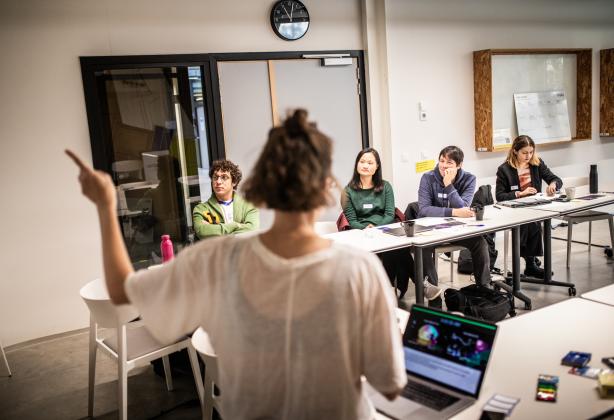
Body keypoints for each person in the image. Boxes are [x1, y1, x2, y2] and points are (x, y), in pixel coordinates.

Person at [66, 109, 405, 420]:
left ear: (261, 184)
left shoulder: (213, 260)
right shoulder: (360, 269)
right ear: (327, 186)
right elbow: (389, 385)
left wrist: (105, 206)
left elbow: (120, 291)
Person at [342, 148, 442, 300]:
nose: (365, 165)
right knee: (395, 249)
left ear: (377, 166)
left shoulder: (385, 187)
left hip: (383, 230)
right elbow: (352, 220)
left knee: (395, 247)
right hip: (362, 234)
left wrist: (376, 228)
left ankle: (390, 289)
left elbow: (389, 214)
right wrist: (366, 228)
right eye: (362, 162)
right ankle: (422, 285)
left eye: (370, 162)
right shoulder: (347, 191)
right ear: (357, 164)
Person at [417, 145, 492, 287]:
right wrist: (454, 212)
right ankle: (433, 293)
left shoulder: (469, 179)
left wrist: (448, 185)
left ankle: (484, 288)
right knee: (423, 248)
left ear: (459, 165)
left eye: (449, 162)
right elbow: (424, 209)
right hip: (433, 230)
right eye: (441, 161)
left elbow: (463, 206)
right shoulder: (428, 178)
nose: (444, 166)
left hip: (458, 229)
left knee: (480, 243)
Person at [495, 135, 562, 278]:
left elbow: (556, 179)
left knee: (532, 221)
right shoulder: (504, 169)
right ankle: (531, 263)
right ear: (515, 151)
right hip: (513, 209)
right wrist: (520, 193)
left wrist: (553, 185)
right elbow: (500, 196)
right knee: (531, 223)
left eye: (531, 152)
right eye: (524, 153)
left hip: (535, 207)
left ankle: (530, 261)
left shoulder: (536, 164)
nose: (528, 156)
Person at [192, 159, 259, 239]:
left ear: (234, 182)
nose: (218, 181)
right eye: (215, 177)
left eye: (224, 177)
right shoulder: (201, 209)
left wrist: (215, 230)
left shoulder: (248, 206)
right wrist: (236, 225)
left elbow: (252, 229)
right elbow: (202, 231)